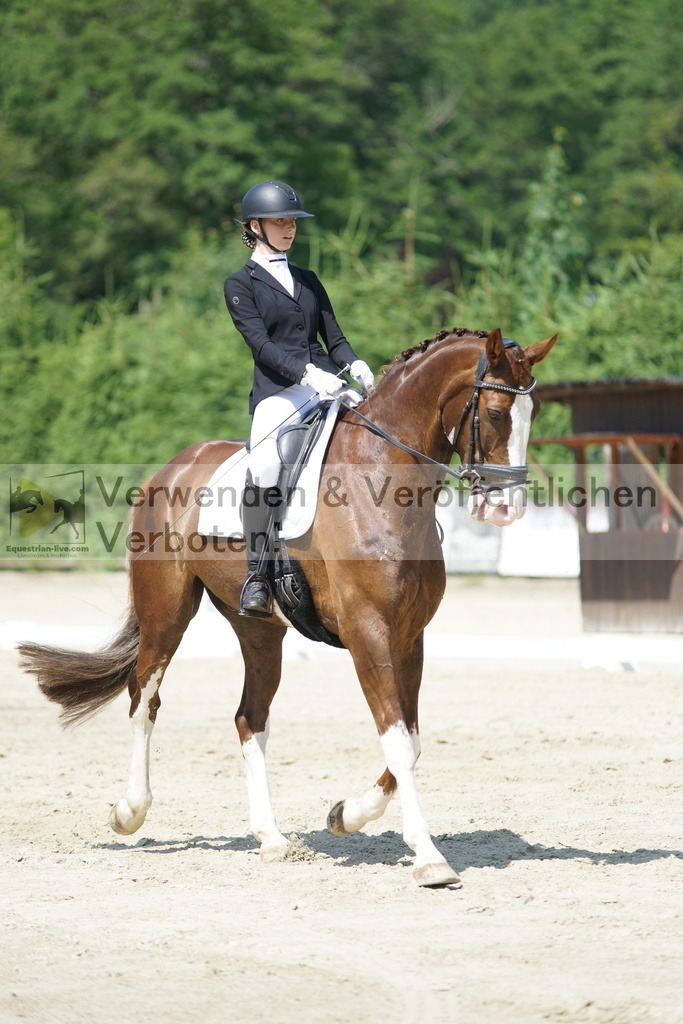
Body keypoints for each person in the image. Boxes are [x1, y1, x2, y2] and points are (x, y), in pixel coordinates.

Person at [225, 180, 374, 617]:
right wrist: (307, 374)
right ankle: (256, 574)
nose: (289, 229)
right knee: (266, 463)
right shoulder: (240, 283)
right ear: (256, 226)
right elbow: (261, 345)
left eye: (292, 221)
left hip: (326, 382)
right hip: (279, 391)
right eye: (280, 221)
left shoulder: (308, 279)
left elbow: (335, 338)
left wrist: (354, 365)